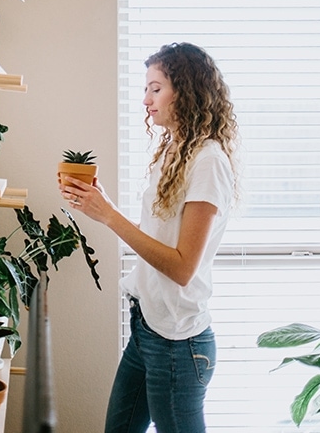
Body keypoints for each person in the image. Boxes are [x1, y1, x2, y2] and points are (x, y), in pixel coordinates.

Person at [59, 42, 238, 433]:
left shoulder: (208, 162)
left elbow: (182, 267)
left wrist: (108, 216)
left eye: (155, 89)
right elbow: (157, 236)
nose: (146, 100)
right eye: (146, 89)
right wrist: (102, 203)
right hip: (146, 328)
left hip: (177, 343)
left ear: (187, 92)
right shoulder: (173, 152)